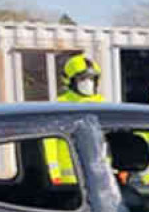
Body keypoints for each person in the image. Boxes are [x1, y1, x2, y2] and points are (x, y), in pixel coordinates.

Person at [45, 54, 105, 184]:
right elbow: (50, 143)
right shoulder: (60, 106)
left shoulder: (103, 105)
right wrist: (54, 174)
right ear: (70, 81)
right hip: (69, 179)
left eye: (92, 79)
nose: (88, 83)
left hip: (100, 176)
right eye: (83, 79)